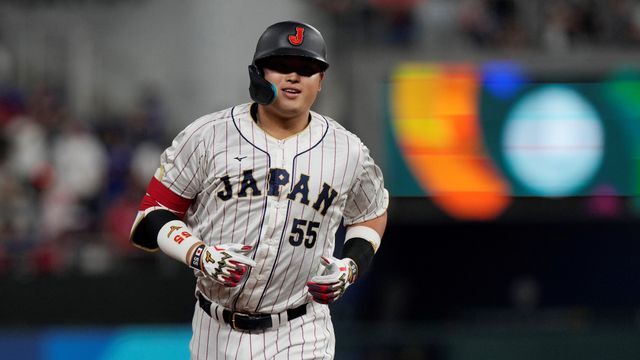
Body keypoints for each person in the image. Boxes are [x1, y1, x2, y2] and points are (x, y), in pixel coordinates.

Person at [130, 20, 388, 359]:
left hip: (300, 329)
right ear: (258, 74)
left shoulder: (347, 150)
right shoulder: (208, 136)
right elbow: (151, 215)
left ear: (321, 81)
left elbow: (371, 213)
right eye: (282, 65)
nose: (294, 76)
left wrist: (351, 265)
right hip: (215, 328)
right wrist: (198, 253)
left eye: (307, 68)